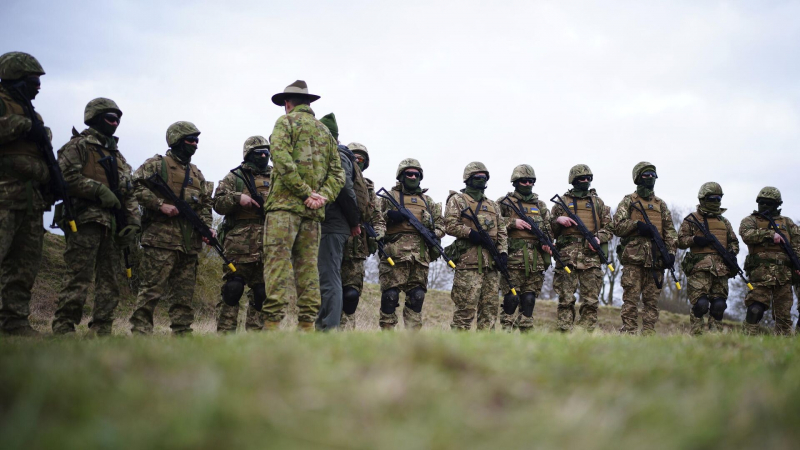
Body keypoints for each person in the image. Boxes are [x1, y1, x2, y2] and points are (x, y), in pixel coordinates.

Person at [52, 98, 140, 335]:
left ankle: (102, 329)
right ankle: (63, 327)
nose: (115, 123)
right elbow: (64, 177)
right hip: (85, 221)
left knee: (110, 281)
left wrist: (133, 223)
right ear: (95, 117)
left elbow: (129, 192)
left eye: (118, 119)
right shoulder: (78, 146)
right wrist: (98, 190)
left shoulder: (118, 156)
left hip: (112, 226)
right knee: (77, 276)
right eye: (111, 118)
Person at [261, 80, 344, 331]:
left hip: (284, 209)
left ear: (287, 104)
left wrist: (304, 192)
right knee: (308, 272)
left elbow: (281, 160)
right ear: (308, 104)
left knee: (277, 266)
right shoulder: (326, 133)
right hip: (313, 213)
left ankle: (272, 328)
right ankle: (307, 329)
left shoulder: (284, 123)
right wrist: (321, 197)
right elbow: (338, 174)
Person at [129, 121, 213, 335]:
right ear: (176, 140)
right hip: (160, 241)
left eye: (197, 140)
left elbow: (205, 204)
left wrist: (207, 228)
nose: (195, 144)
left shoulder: (196, 173)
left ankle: (183, 333)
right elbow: (133, 186)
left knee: (184, 295)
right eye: (190, 140)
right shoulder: (157, 164)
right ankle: (141, 332)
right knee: (150, 290)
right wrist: (159, 205)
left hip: (189, 244)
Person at [0, 52, 51, 336]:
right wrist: (25, 125)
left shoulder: (34, 114)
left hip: (31, 202)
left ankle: (15, 322)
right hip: (4, 195)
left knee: (24, 266)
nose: (38, 87)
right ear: (15, 78)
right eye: (33, 81)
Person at [212, 136, 272, 333]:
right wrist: (238, 198)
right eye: (259, 153)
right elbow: (218, 203)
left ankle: (255, 339)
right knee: (233, 289)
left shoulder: (277, 177)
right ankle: (225, 335)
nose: (263, 156)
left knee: (262, 293)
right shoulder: (235, 178)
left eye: (266, 152)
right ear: (248, 155)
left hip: (268, 245)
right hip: (238, 246)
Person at [378, 158, 444, 330]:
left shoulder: (428, 201)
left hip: (420, 257)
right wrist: (389, 216)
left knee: (417, 296)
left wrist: (433, 234)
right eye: (409, 174)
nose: (413, 177)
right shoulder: (389, 197)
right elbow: (374, 219)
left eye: (416, 174)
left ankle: (413, 340)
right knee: (390, 296)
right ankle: (387, 336)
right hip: (394, 254)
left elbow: (442, 225)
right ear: (401, 176)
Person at [613, 161, 677, 335]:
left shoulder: (661, 205)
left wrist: (671, 253)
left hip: (656, 260)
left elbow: (671, 232)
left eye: (652, 175)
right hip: (633, 259)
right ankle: (629, 334)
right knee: (631, 301)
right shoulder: (629, 201)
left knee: (651, 303)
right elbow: (617, 226)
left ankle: (648, 335)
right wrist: (637, 226)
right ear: (637, 178)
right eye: (646, 175)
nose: (650, 178)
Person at [444, 162, 508, 331]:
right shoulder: (457, 200)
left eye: (484, 177)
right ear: (468, 179)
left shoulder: (493, 205)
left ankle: (485, 351)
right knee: (464, 312)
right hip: (468, 264)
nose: (482, 180)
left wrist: (503, 253)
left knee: (489, 313)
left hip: (491, 266)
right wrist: (471, 234)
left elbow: (502, 231)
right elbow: (449, 225)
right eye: (477, 177)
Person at [550, 164, 613, 332]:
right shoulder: (561, 203)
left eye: (588, 179)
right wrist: (558, 220)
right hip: (566, 258)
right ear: (573, 181)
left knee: (591, 301)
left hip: (591, 258)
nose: (585, 181)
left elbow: (610, 228)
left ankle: (586, 334)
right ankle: (563, 334)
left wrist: (598, 238)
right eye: (581, 179)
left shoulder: (598, 203)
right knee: (565, 299)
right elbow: (549, 231)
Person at [315, 113, 360, 331]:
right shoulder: (331, 154)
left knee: (330, 278)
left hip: (333, 225)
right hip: (328, 224)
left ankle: (328, 329)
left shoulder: (338, 156)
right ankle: (321, 326)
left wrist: (354, 221)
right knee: (324, 277)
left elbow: (345, 191)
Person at [677, 182, 739, 335]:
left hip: (721, 270)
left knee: (719, 305)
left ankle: (715, 338)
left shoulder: (724, 222)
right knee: (701, 304)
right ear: (703, 199)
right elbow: (679, 241)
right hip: (699, 269)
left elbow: (734, 242)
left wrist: (732, 253)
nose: (716, 201)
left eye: (718, 198)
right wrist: (695, 240)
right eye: (712, 198)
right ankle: (697, 336)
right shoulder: (691, 219)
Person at [496, 164, 553, 332]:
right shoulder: (503, 202)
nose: (528, 184)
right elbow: (493, 224)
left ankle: (527, 334)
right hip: (512, 260)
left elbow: (548, 230)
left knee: (529, 299)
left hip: (535, 261)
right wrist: (513, 223)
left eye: (530, 181)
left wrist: (547, 242)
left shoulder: (540, 205)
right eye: (524, 181)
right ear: (515, 182)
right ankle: (506, 332)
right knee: (511, 298)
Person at [739, 187, 800, 335]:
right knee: (755, 308)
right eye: (761, 202)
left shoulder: (788, 223)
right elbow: (747, 235)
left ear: (777, 204)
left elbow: (797, 246)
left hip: (784, 275)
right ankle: (747, 339)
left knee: (784, 315)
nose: (764, 206)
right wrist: (769, 234)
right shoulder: (751, 220)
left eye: (768, 203)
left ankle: (782, 345)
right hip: (760, 273)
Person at [340, 142, 385, 330]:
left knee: (351, 296)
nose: (357, 163)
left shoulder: (368, 188)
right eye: (354, 159)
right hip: (332, 245)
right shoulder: (333, 179)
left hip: (356, 250)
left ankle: (346, 336)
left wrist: (377, 236)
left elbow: (378, 218)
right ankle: (323, 335)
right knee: (325, 294)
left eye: (361, 160)